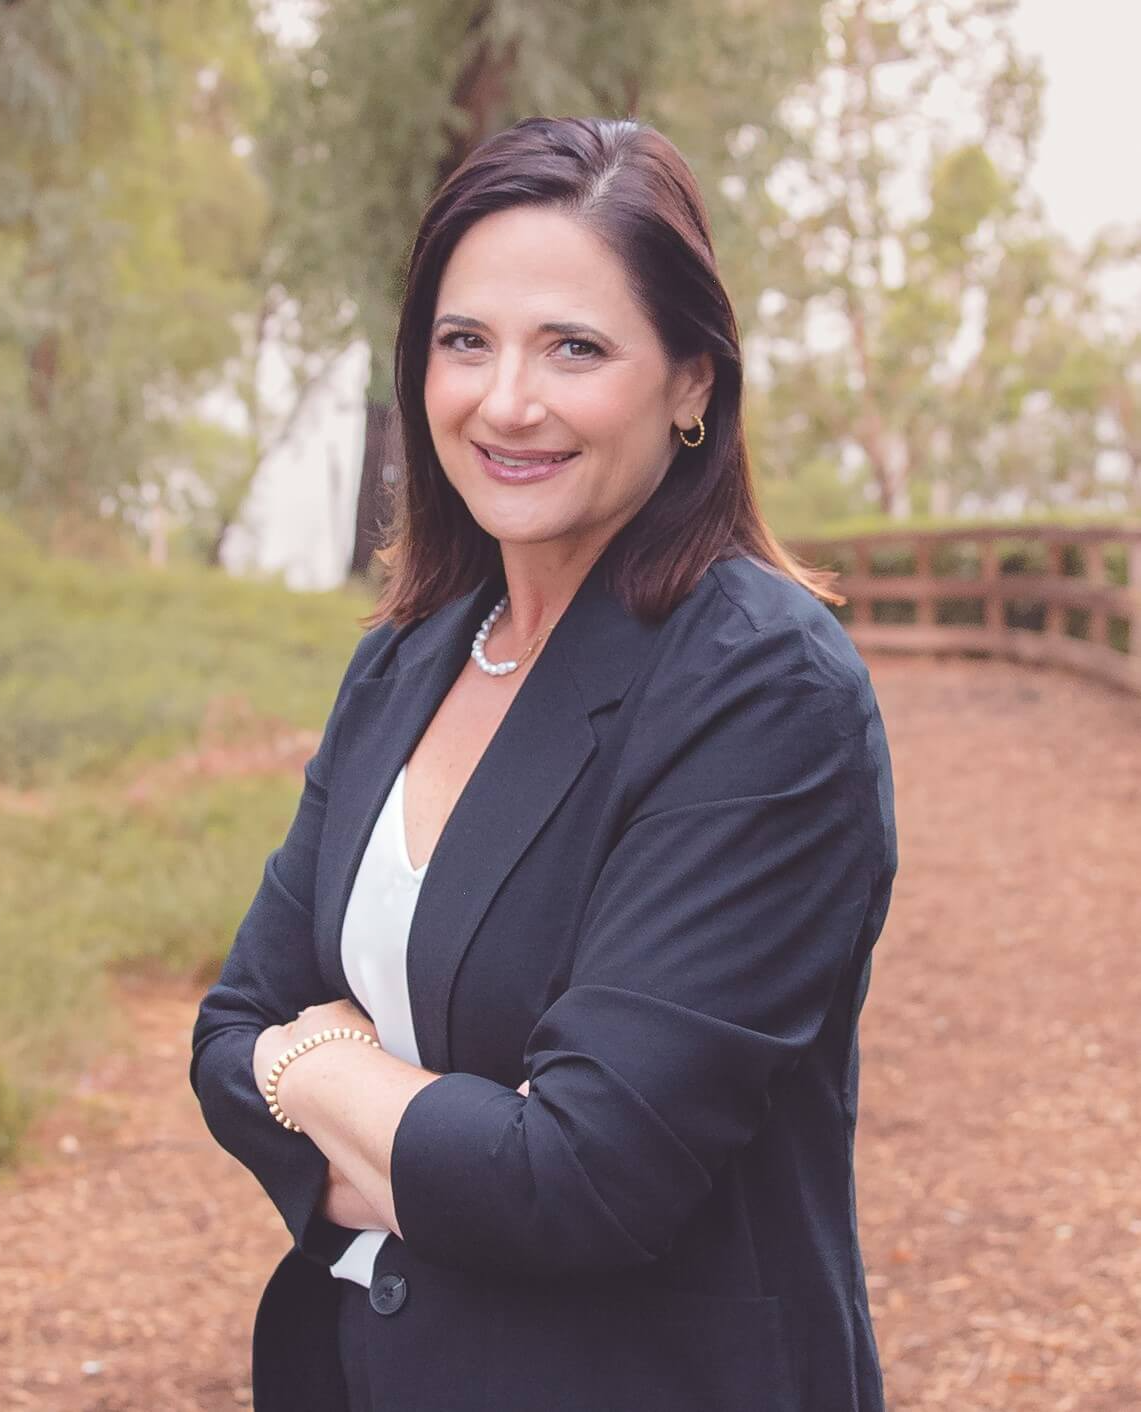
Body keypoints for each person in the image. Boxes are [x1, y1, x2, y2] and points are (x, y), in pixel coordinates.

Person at [190, 114, 897, 1412]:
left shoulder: (763, 687)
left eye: (574, 347)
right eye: (466, 342)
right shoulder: (408, 659)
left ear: (692, 381)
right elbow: (228, 1030)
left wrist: (315, 1070)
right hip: (367, 1369)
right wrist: (421, 1125)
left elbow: (576, 1180)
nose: (506, 400)